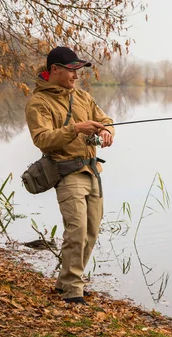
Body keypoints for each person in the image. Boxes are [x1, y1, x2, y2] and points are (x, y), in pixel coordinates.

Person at [25, 46, 115, 305]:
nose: (76, 75)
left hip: (93, 171)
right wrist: (76, 128)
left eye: (78, 70)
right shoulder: (38, 102)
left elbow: (105, 118)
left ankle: (65, 281)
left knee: (91, 232)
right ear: (54, 70)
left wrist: (107, 131)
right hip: (66, 173)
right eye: (72, 70)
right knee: (76, 231)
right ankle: (73, 290)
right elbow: (42, 140)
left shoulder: (84, 97)